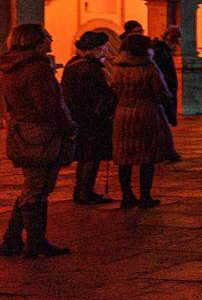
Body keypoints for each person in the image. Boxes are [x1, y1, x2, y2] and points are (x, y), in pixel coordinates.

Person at [0, 25, 75, 258]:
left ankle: (12, 241)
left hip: (21, 130)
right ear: (35, 40)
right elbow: (48, 105)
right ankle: (35, 242)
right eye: (47, 36)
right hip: (41, 133)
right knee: (38, 188)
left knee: (33, 187)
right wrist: (68, 127)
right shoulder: (36, 69)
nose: (51, 39)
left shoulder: (10, 67)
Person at [111, 34, 173, 209]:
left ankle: (127, 195)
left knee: (124, 157)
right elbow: (161, 91)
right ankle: (145, 196)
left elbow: (113, 89)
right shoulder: (148, 67)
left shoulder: (117, 67)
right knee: (147, 157)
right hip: (146, 112)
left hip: (122, 113)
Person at [62, 31, 117, 204]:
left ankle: (82, 191)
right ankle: (85, 192)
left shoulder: (73, 64)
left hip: (80, 116)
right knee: (90, 156)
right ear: (95, 48)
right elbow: (98, 94)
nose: (106, 51)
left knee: (86, 156)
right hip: (91, 119)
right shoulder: (89, 67)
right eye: (104, 47)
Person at [150, 26, 182, 162]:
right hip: (161, 95)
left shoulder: (163, 51)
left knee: (162, 125)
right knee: (162, 126)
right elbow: (160, 74)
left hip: (165, 92)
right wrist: (166, 91)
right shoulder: (160, 52)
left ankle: (165, 152)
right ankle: (167, 152)